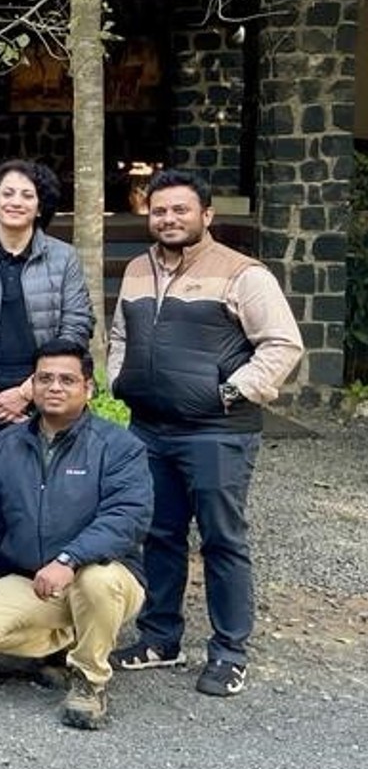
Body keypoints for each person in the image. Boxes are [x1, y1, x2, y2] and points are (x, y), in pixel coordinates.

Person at [106, 169, 304, 698]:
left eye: (180, 210)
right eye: (160, 211)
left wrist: (230, 393)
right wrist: (117, 378)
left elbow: (282, 345)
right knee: (160, 535)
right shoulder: (135, 269)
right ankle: (160, 638)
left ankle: (229, 651)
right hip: (150, 429)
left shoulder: (243, 273)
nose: (168, 219)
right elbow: (121, 333)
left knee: (221, 539)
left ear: (206, 216)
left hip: (217, 433)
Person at [0, 342, 153, 730]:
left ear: (88, 388)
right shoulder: (5, 445)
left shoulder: (119, 446)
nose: (54, 387)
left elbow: (127, 517)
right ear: (33, 385)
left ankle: (89, 680)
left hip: (106, 575)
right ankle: (66, 643)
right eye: (44, 379)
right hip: (35, 581)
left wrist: (69, 559)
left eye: (67, 380)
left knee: (96, 582)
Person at [0, 159, 94, 456]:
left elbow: (77, 326)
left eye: (27, 195)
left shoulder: (63, 258)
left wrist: (28, 391)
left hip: (52, 388)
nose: (16, 202)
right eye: (7, 193)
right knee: (2, 479)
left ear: (40, 207)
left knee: (55, 477)